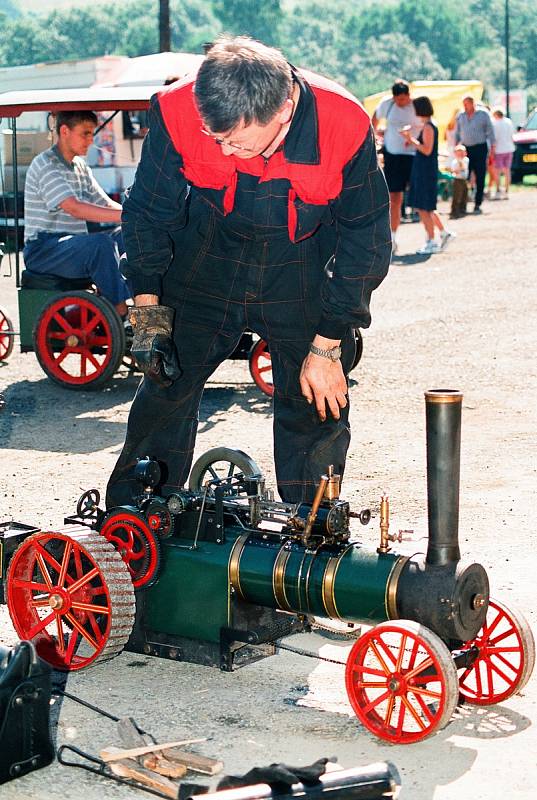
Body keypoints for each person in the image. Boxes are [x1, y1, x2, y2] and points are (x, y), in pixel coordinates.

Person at [106, 35, 391, 508]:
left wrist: (329, 342)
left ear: (281, 111)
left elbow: (367, 239)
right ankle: (138, 518)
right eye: (213, 138)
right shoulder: (178, 107)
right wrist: (149, 316)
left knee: (315, 398)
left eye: (234, 141)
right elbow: (148, 212)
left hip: (298, 262)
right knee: (166, 386)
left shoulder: (343, 122)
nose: (222, 149)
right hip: (206, 255)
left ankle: (313, 531)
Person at [23, 110, 131, 316]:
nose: (91, 140)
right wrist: (125, 216)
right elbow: (74, 207)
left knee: (129, 235)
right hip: (43, 249)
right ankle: (121, 313)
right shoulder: (45, 164)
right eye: (85, 133)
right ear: (64, 131)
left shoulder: (80, 166)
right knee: (101, 244)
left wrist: (136, 216)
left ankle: (143, 306)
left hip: (71, 245)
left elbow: (105, 204)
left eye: (92, 134)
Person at [400, 96, 454, 254]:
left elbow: (427, 150)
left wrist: (410, 139)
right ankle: (443, 233)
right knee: (428, 207)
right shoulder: (427, 125)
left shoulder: (429, 127)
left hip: (425, 170)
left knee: (423, 207)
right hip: (424, 169)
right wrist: (411, 140)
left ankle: (431, 241)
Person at [372, 80, 420, 254]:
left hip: (413, 154)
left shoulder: (416, 105)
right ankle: (393, 237)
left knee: (418, 196)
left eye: (404, 99)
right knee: (394, 198)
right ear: (394, 97)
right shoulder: (387, 104)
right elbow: (375, 118)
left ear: (409, 95)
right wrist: (374, 136)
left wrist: (413, 138)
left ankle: (431, 234)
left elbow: (424, 124)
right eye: (398, 99)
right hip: (392, 153)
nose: (401, 102)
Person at [455, 96, 495, 215]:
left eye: (467, 104)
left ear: (472, 104)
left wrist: (492, 149)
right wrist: (457, 147)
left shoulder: (483, 114)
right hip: (465, 149)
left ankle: (478, 202)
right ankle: (463, 202)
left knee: (480, 174)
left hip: (480, 147)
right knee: (464, 175)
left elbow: (490, 132)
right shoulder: (461, 116)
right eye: (464, 104)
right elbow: (458, 133)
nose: (465, 107)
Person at [491, 108, 515, 199]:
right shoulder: (509, 122)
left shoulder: (495, 124)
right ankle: (506, 190)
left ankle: (498, 189)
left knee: (498, 171)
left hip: (499, 150)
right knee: (507, 170)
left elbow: (494, 138)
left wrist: (492, 150)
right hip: (509, 148)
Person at [449, 144, 469, 219]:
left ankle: (462, 209)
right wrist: (459, 163)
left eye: (462, 152)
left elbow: (464, 167)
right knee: (457, 195)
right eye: (458, 152)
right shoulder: (454, 162)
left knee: (464, 194)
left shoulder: (466, 160)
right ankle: (454, 210)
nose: (460, 154)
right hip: (457, 180)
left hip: (464, 179)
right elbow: (454, 171)